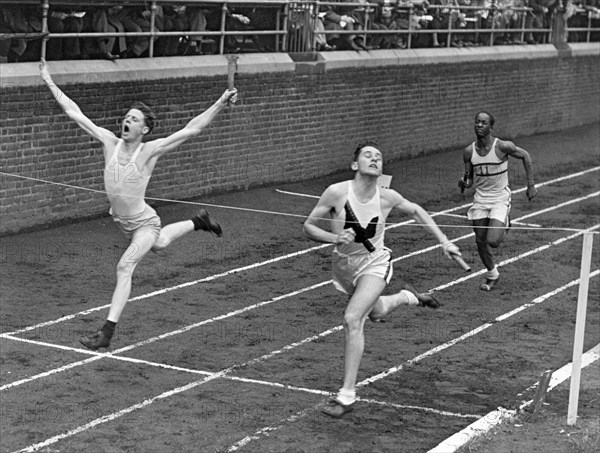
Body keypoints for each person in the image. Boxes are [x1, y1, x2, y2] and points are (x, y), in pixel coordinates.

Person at [39, 59, 238, 350]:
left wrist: (221, 101)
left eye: (134, 119)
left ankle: (106, 332)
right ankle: (199, 221)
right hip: (123, 223)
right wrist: (48, 79)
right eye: (127, 117)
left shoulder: (148, 151)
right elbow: (74, 112)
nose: (127, 121)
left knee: (125, 265)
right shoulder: (109, 142)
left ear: (145, 129)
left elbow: (191, 130)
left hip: (144, 223)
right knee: (160, 244)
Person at [303, 141, 462, 418]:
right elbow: (308, 226)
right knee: (375, 310)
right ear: (355, 164)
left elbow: (417, 211)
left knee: (354, 318)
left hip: (375, 263)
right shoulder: (336, 193)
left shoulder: (387, 196)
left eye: (379, 156)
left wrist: (445, 242)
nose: (375, 159)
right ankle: (407, 297)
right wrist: (335, 238)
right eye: (368, 155)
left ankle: (347, 395)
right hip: (344, 266)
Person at [458, 111, 537, 291]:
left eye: (483, 123)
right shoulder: (469, 152)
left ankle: (506, 222)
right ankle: (492, 274)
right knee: (480, 241)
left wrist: (530, 185)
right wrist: (464, 183)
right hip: (480, 199)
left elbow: (525, 155)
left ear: (491, 127)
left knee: (493, 240)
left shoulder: (502, 146)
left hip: (500, 197)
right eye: (477, 122)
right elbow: (469, 180)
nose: (479, 125)